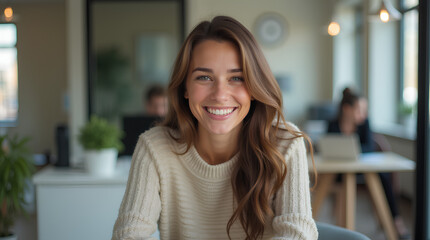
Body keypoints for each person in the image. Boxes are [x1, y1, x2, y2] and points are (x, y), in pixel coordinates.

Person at [112, 16, 318, 240]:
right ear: (185, 88)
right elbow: (129, 235)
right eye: (204, 77)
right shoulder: (155, 147)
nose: (220, 95)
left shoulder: (285, 144)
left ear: (255, 87)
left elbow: (298, 234)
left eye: (236, 78)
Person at [327, 87, 409, 239]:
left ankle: (396, 222)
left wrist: (349, 149)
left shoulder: (364, 124)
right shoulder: (333, 124)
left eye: (364, 110)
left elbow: (369, 147)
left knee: (383, 176)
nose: (363, 114)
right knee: (328, 179)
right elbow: (328, 146)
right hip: (338, 170)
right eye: (359, 109)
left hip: (362, 169)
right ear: (347, 109)